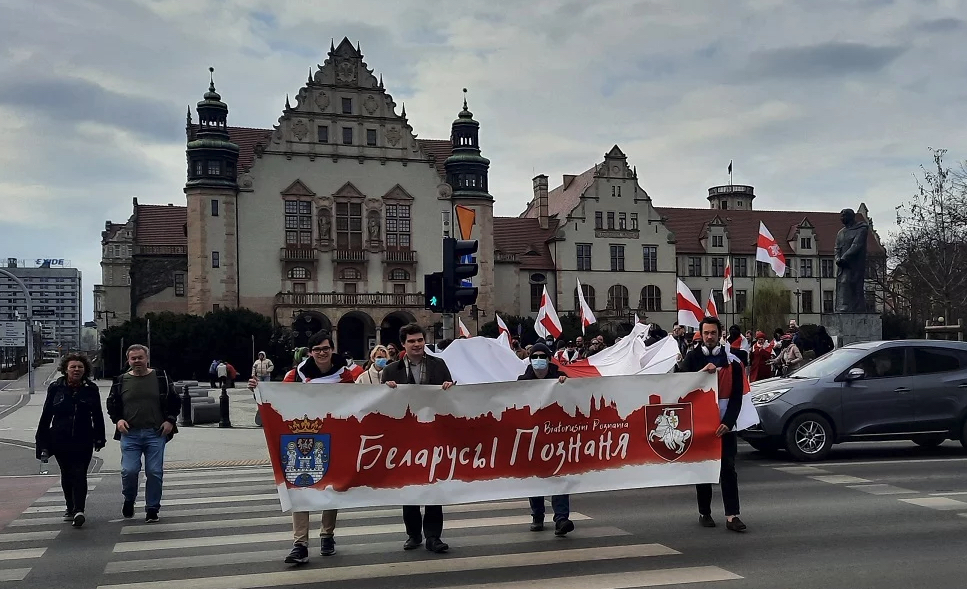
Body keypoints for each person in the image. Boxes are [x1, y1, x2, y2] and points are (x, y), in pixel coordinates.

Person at [249, 331, 361, 564]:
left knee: (333, 487)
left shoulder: (345, 375)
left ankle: (327, 534)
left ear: (332, 349)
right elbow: (278, 399)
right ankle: (299, 543)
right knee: (300, 486)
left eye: (326, 348)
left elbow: (356, 402)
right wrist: (257, 391)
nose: (322, 353)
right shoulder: (296, 375)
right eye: (317, 349)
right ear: (310, 352)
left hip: (335, 437)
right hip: (302, 438)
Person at [381, 323, 455, 554]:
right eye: (411, 341)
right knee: (409, 486)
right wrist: (387, 389)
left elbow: (451, 396)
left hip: (433, 434)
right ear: (403, 344)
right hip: (405, 438)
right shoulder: (392, 371)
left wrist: (449, 387)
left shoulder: (438, 365)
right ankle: (413, 534)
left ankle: (433, 536)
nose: (417, 345)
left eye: (420, 340)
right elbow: (384, 404)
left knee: (434, 485)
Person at [680, 317, 746, 532]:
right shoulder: (692, 358)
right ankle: (704, 512)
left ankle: (732, 515)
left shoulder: (733, 361)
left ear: (720, 334)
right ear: (701, 335)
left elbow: (737, 396)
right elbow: (679, 387)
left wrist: (728, 422)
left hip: (725, 426)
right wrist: (700, 375)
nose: (710, 337)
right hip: (701, 425)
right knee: (703, 469)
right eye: (706, 333)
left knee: (728, 468)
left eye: (713, 333)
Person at [106, 344, 180, 524]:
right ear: (128, 360)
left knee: (154, 472)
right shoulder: (121, 380)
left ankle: (152, 508)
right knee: (129, 470)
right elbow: (112, 404)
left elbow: (174, 401)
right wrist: (118, 420)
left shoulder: (161, 377)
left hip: (156, 432)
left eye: (140, 357)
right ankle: (129, 498)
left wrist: (170, 420)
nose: (137, 361)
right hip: (130, 434)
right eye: (133, 358)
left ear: (147, 358)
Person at [35, 353, 106, 528]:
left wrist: (99, 436)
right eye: (73, 367)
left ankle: (79, 509)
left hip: (84, 438)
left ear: (85, 370)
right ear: (66, 369)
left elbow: (97, 414)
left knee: (80, 472)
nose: (76, 370)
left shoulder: (91, 388)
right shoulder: (55, 387)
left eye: (80, 367)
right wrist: (41, 441)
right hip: (60, 438)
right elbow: (46, 415)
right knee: (66, 473)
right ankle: (70, 506)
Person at [517, 343, 573, 535]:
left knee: (559, 476)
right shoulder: (522, 381)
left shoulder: (560, 378)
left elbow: (575, 399)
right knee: (536, 478)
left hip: (556, 436)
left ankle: (561, 518)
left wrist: (567, 384)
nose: (538, 360)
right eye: (535, 356)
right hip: (532, 436)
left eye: (542, 356)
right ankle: (537, 515)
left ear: (549, 359)